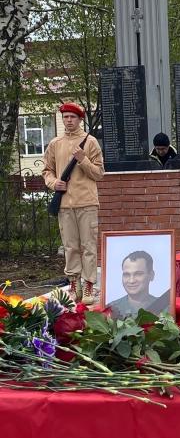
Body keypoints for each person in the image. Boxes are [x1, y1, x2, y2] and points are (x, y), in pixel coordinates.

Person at [42, 102, 104, 305]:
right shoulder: (55, 143)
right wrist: (54, 183)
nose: (69, 120)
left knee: (88, 246)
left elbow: (99, 173)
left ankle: (88, 284)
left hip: (87, 202)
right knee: (70, 246)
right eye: (66, 117)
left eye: (72, 117)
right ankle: (74, 283)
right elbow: (47, 170)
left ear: (80, 119)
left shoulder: (91, 142)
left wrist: (83, 159)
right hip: (64, 204)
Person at [108, 250, 170, 319]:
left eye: (138, 274)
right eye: (126, 274)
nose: (131, 280)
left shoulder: (165, 308)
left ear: (151, 275)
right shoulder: (111, 309)